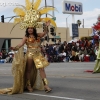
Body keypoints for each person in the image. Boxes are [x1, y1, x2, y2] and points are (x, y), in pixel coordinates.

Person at [0, 0, 57, 94]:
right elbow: (21, 44)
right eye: (29, 28)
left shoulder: (38, 35)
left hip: (38, 54)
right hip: (30, 55)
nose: (30, 30)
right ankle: (28, 84)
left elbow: (44, 33)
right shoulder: (26, 37)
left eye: (31, 28)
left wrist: (46, 26)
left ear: (34, 28)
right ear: (27, 29)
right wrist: (15, 48)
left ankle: (46, 85)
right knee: (28, 70)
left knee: (41, 69)